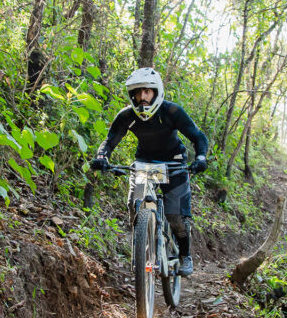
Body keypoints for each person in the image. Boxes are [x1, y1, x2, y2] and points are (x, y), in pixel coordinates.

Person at [89, 67, 210, 277]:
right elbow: (110, 141)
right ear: (132, 95)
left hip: (174, 161)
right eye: (138, 92)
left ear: (156, 92)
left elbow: (198, 137)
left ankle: (185, 255)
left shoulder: (172, 112)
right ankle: (142, 240)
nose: (143, 97)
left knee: (175, 215)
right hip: (145, 161)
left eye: (147, 91)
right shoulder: (126, 116)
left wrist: (200, 157)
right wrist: (102, 157)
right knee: (134, 204)